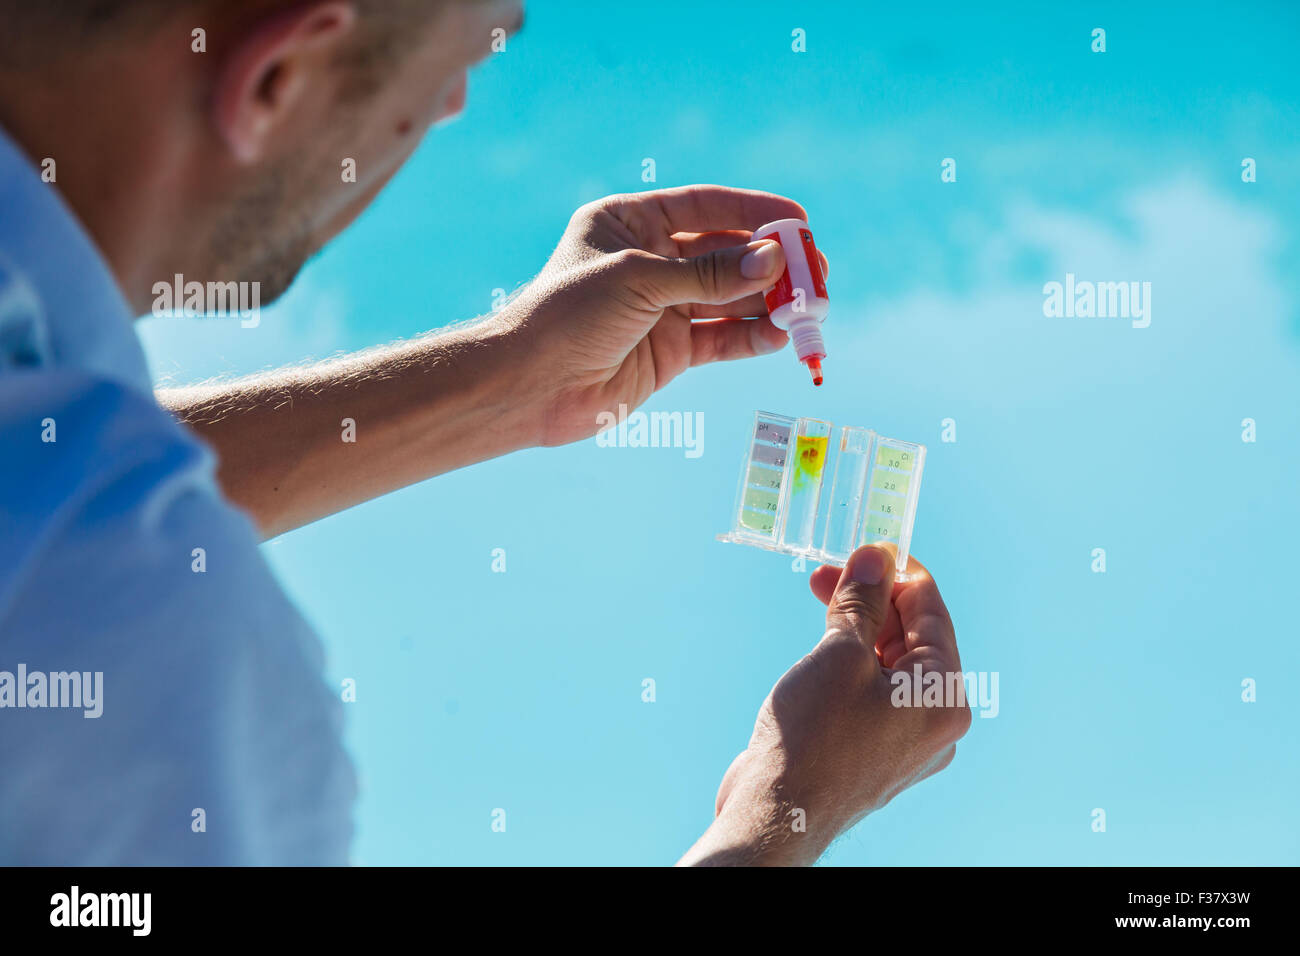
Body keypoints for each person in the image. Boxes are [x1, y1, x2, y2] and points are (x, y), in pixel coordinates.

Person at [0, 0, 968, 865]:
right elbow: (70, 537)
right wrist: (779, 819)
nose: (456, 103)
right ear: (277, 74)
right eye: (473, 51)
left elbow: (41, 478)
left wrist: (510, 380)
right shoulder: (146, 650)